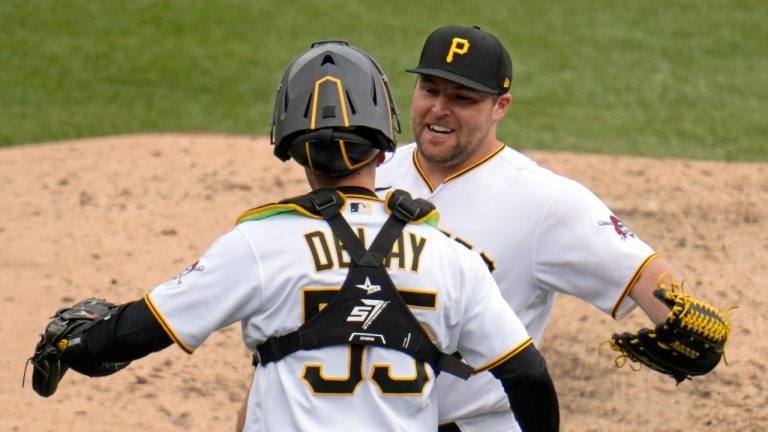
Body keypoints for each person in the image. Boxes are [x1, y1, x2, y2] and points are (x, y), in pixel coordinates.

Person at [30, 41, 559, 431]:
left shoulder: (258, 246)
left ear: (290, 146)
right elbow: (530, 379)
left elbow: (145, 328)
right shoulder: (452, 258)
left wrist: (73, 344)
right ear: (384, 149)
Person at [374, 25, 716, 431]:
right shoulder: (374, 170)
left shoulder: (545, 200)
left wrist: (692, 325)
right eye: (430, 90)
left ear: (500, 106)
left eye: (462, 99)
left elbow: (645, 274)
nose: (439, 109)